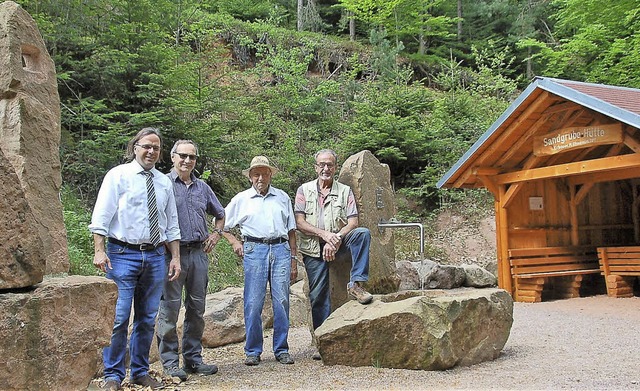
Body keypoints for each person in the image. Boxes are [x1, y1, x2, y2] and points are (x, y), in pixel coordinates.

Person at [89, 127, 181, 391]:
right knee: (119, 318)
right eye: (146, 146)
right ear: (135, 147)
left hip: (155, 256)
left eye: (156, 148)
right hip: (122, 254)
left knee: (146, 318)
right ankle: (113, 375)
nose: (151, 151)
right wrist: (99, 249)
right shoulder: (118, 176)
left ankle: (140, 371)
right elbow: (102, 216)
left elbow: (171, 224)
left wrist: (175, 257)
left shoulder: (164, 182)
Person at [156, 140, 225, 381]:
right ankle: (170, 362)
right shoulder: (162, 183)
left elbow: (220, 214)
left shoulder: (202, 187)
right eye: (182, 156)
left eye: (192, 157)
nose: (187, 161)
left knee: (197, 307)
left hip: (198, 253)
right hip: (170, 255)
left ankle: (193, 359)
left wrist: (216, 234)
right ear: (172, 157)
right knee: (170, 308)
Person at [223, 156, 298, 366]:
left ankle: (281, 349)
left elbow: (291, 230)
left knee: (282, 300)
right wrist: (234, 242)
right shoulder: (241, 199)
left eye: (265, 173)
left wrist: (293, 259)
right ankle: (253, 350)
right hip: (254, 249)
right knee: (253, 301)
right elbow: (220, 225)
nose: (260, 178)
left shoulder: (282, 197)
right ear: (250, 177)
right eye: (256, 174)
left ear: (270, 175)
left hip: (281, 248)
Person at [294, 149, 373, 343]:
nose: (326, 168)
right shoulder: (304, 190)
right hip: (313, 247)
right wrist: (325, 236)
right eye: (322, 165)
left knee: (363, 234)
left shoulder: (345, 191)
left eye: (329, 165)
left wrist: (335, 239)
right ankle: (324, 342)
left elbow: (353, 222)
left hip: (339, 243)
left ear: (335, 168)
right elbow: (299, 222)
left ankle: (356, 284)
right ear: (316, 167)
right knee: (318, 295)